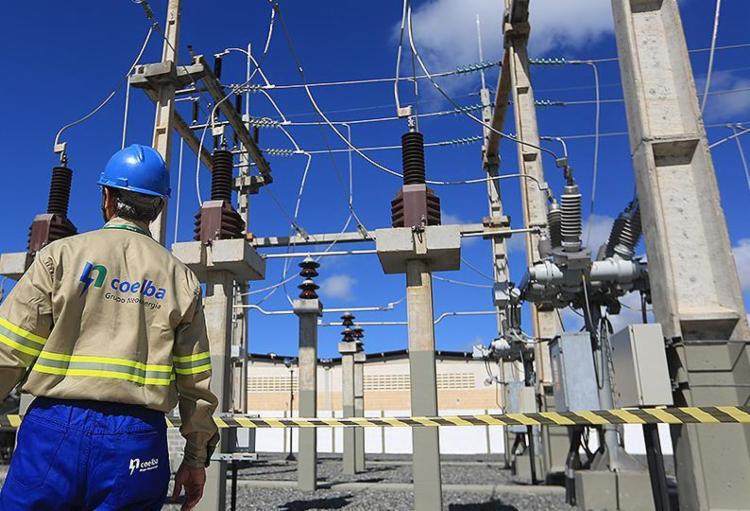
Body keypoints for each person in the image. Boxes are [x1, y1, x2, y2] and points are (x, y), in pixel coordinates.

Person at [0, 144, 219, 510]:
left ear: (107, 197)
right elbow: (195, 382)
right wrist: (196, 458)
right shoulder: (182, 279)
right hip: (137, 438)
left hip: (53, 430)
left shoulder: (60, 257)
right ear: (159, 207)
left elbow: (8, 347)